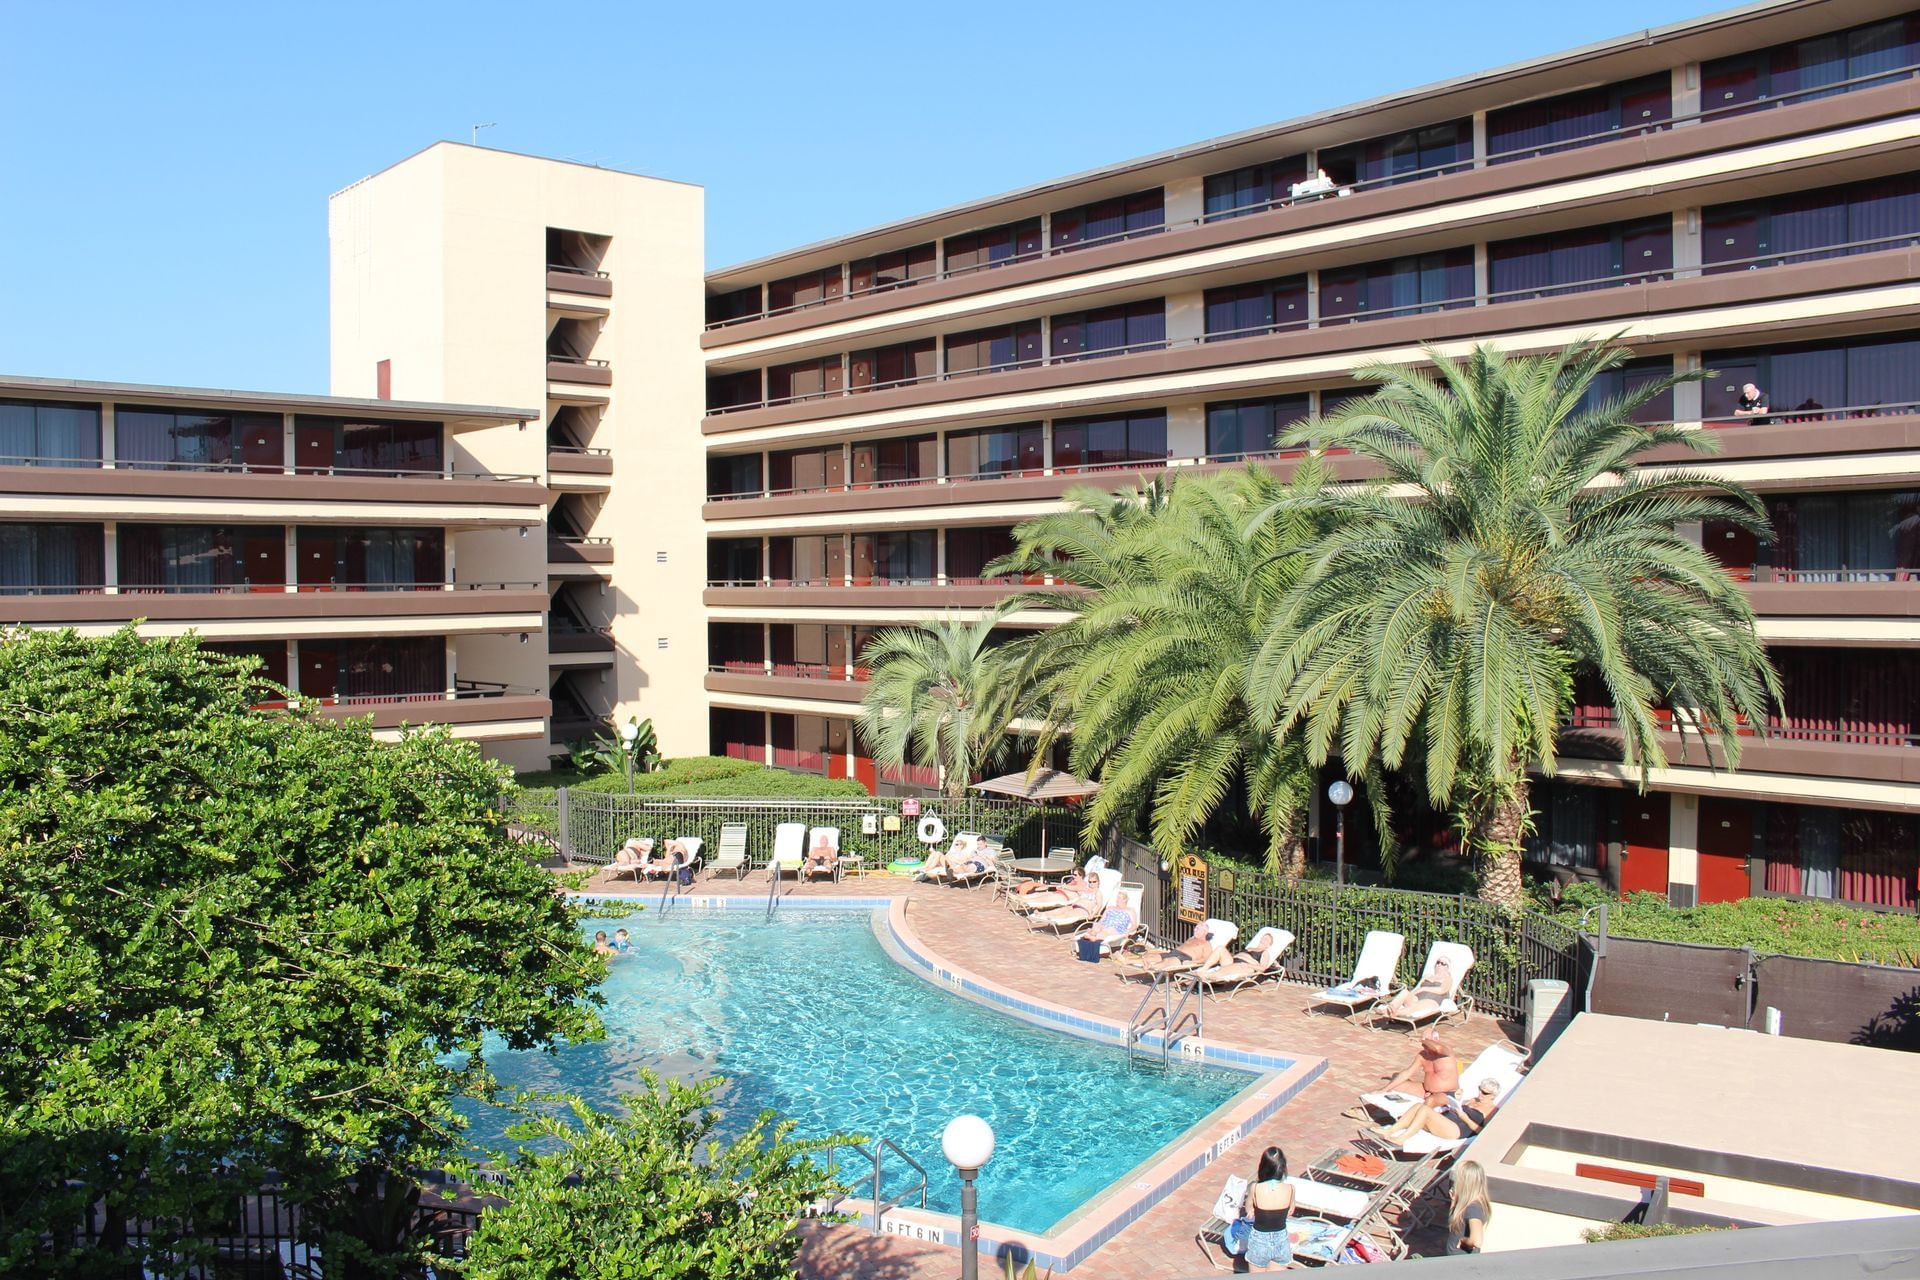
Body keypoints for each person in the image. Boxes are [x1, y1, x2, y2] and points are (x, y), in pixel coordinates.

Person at [1345, 1030, 1457, 1120]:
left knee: (1431, 1101)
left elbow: (1437, 1048)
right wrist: (1385, 1089)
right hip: (1425, 1090)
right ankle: (1370, 1111)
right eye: (1423, 1044)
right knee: (1396, 1086)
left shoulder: (1446, 1052)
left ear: (1436, 1039)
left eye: (1426, 1042)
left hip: (1447, 1094)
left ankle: (1412, 1123)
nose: (1424, 1046)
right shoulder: (1423, 1055)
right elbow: (1407, 1072)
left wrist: (1421, 1039)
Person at [1372, 1076, 1503, 1147]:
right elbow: (1457, 1107)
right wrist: (1456, 1101)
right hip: (1447, 1121)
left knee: (1425, 1110)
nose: (1480, 1093)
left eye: (1485, 1092)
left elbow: (1483, 1133)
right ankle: (1390, 1130)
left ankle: (1402, 1139)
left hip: (1456, 1130)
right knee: (1419, 1105)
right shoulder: (1472, 1100)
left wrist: (1465, 1118)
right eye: (1480, 1089)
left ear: (1492, 1096)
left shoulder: (1492, 1111)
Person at [1224, 1146, 1294, 1272]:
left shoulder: (1255, 1188)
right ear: (1283, 1168)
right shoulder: (1290, 1189)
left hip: (1260, 1240)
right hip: (1281, 1240)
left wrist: (1252, 1209)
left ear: (1263, 1168)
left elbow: (1249, 1207)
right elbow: (1290, 1210)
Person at [1379, 956, 1453, 1022]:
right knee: (1405, 992)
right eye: (1438, 962)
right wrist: (1409, 995)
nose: (1439, 965)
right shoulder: (1427, 976)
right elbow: (1417, 988)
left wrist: (1424, 988)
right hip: (1418, 998)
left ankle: (1395, 1013)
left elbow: (1442, 990)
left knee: (1417, 1005)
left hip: (1433, 1001)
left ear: (1447, 968)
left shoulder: (1447, 978)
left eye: (1443, 963)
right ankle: (1389, 1008)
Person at [1447, 1161, 1492, 1255]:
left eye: (1457, 1179)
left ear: (1465, 1182)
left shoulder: (1473, 1208)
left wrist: (1463, 1241)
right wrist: (1454, 1201)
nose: (1454, 1182)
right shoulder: (1473, 1201)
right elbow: (1453, 1226)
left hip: (1459, 1262)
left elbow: (1477, 1241)